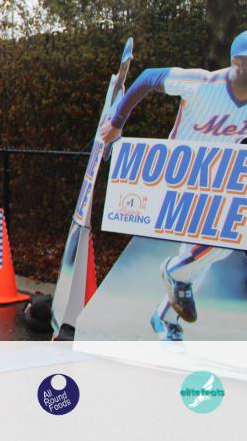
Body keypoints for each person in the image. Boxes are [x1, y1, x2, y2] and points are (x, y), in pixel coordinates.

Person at [99, 30, 247, 342]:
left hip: (215, 182)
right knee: (221, 242)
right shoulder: (203, 83)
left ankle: (164, 318)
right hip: (178, 175)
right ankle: (173, 273)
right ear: (237, 63)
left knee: (199, 259)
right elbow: (149, 78)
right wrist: (117, 121)